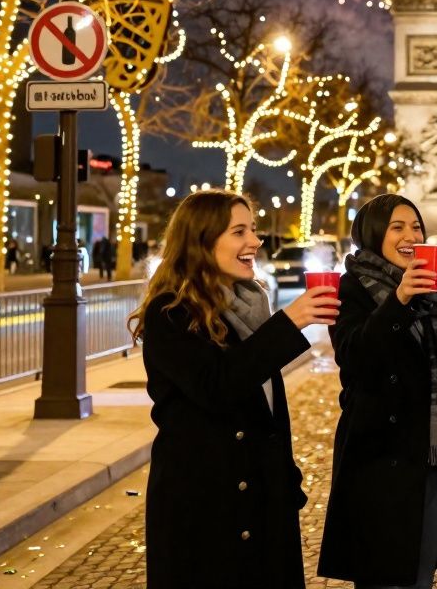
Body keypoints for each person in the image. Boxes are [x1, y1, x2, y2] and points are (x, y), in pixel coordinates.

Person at [130, 190, 338, 588]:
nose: (255, 241)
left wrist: (285, 483)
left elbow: (266, 410)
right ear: (202, 240)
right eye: (239, 231)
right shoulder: (170, 311)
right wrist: (288, 323)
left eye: (253, 230)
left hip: (262, 503)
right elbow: (217, 386)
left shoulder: (249, 304)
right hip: (207, 511)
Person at [318, 194, 437, 588]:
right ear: (374, 234)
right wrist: (399, 300)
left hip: (430, 463)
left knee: (420, 576)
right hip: (378, 462)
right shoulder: (350, 288)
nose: (411, 236)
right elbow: (355, 357)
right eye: (398, 227)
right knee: (383, 577)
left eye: (416, 227)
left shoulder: (432, 294)